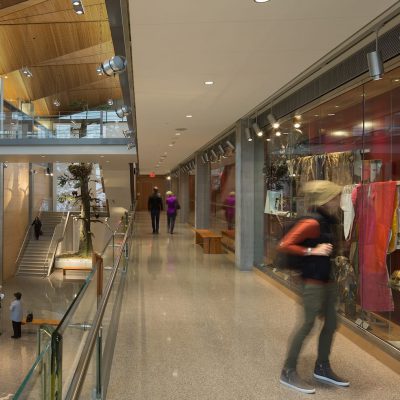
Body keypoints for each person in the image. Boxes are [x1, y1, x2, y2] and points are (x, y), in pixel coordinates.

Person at [278, 180, 349, 394]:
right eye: (336, 197)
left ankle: (322, 367)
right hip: (312, 283)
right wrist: (313, 251)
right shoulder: (313, 222)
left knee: (332, 323)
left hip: (327, 281)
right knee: (307, 325)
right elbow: (284, 244)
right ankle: (288, 371)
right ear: (327, 200)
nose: (338, 200)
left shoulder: (329, 221)